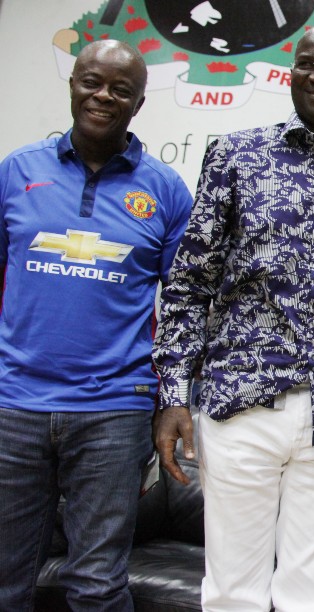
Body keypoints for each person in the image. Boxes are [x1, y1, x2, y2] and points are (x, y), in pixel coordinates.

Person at [152, 23, 314, 611]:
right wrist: (171, 394)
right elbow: (189, 285)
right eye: (307, 64)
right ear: (290, 75)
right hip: (240, 403)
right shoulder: (236, 156)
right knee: (232, 594)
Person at [0, 40, 192, 610]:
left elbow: (183, 305)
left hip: (115, 409)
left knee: (97, 585)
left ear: (138, 104)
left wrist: (172, 400)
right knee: (7, 581)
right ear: (73, 85)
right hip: (15, 405)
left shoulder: (165, 189)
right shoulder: (17, 171)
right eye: (92, 81)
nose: (103, 95)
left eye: (120, 89)